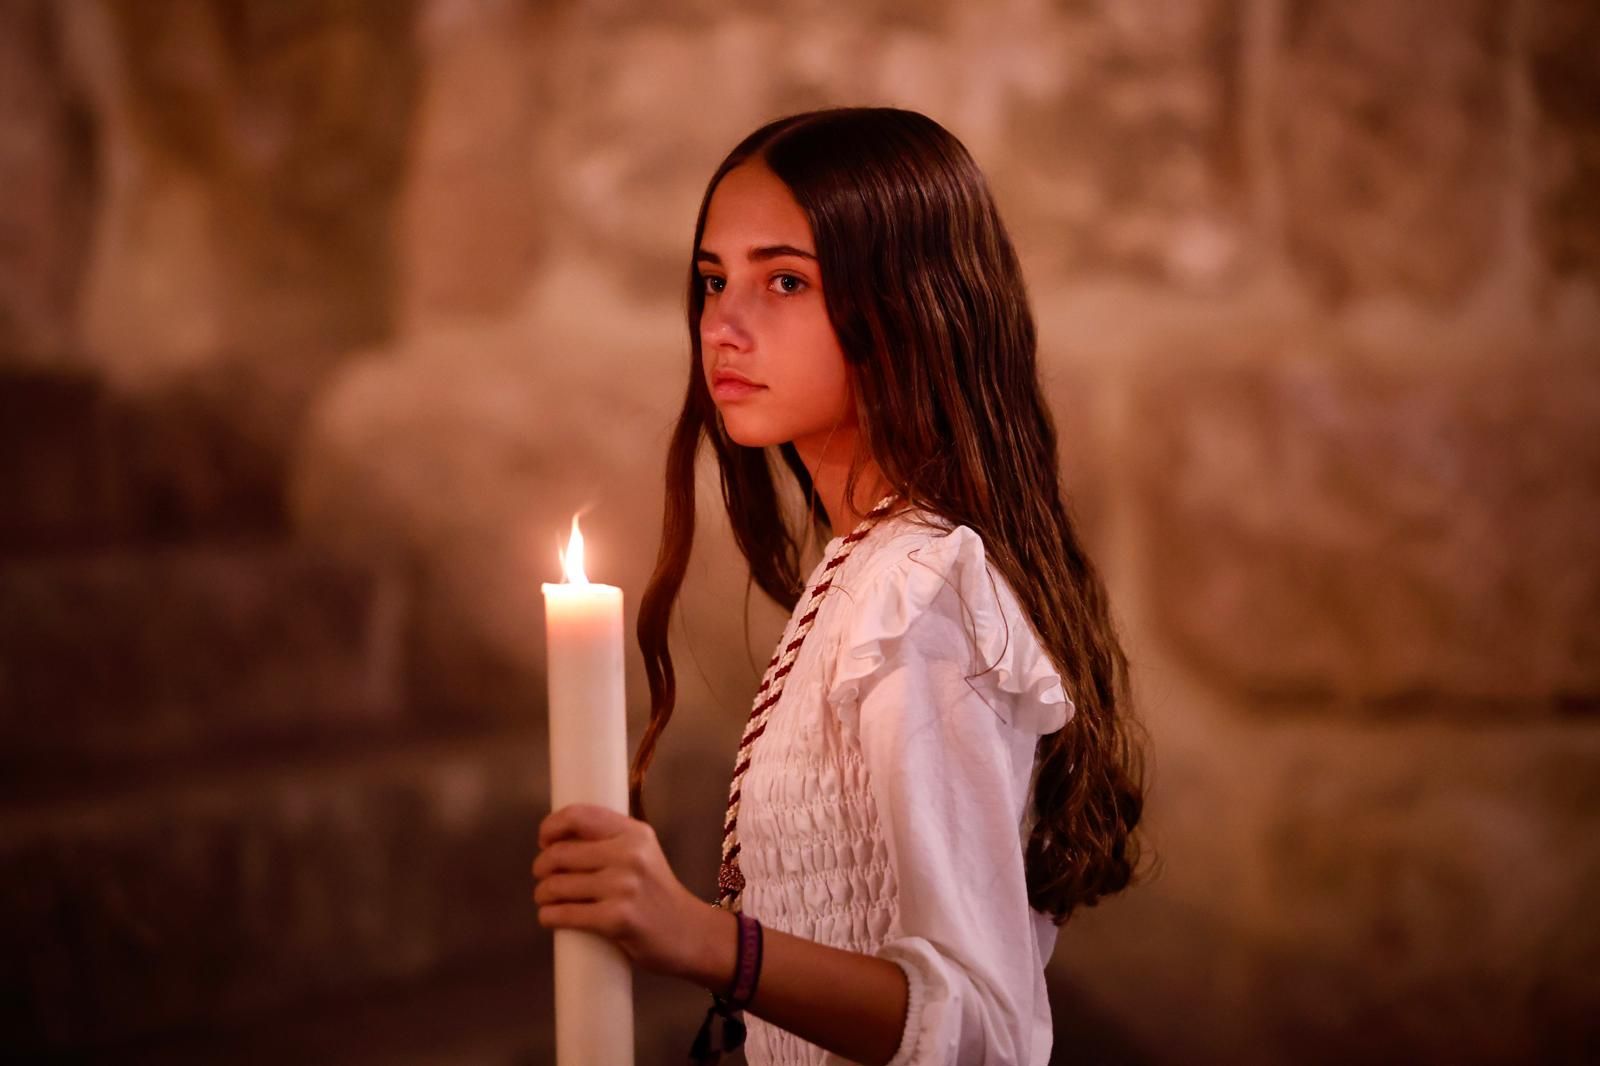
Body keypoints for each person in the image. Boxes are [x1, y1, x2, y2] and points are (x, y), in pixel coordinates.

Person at [530, 106, 1148, 1065]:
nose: (724, 325)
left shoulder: (921, 590)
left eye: (785, 280)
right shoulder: (862, 565)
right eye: (711, 280)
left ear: (906, 304)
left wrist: (703, 940)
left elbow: (984, 1027)